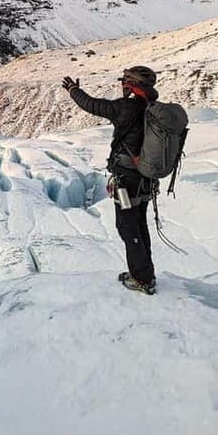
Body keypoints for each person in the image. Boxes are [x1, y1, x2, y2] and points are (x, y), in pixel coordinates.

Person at [62, 66, 159, 295]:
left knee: (128, 227)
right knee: (139, 224)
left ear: (131, 84)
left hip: (127, 178)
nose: (123, 86)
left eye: (125, 82)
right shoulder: (153, 107)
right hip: (146, 177)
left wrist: (74, 90)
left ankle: (142, 279)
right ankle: (145, 273)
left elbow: (92, 105)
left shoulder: (126, 107)